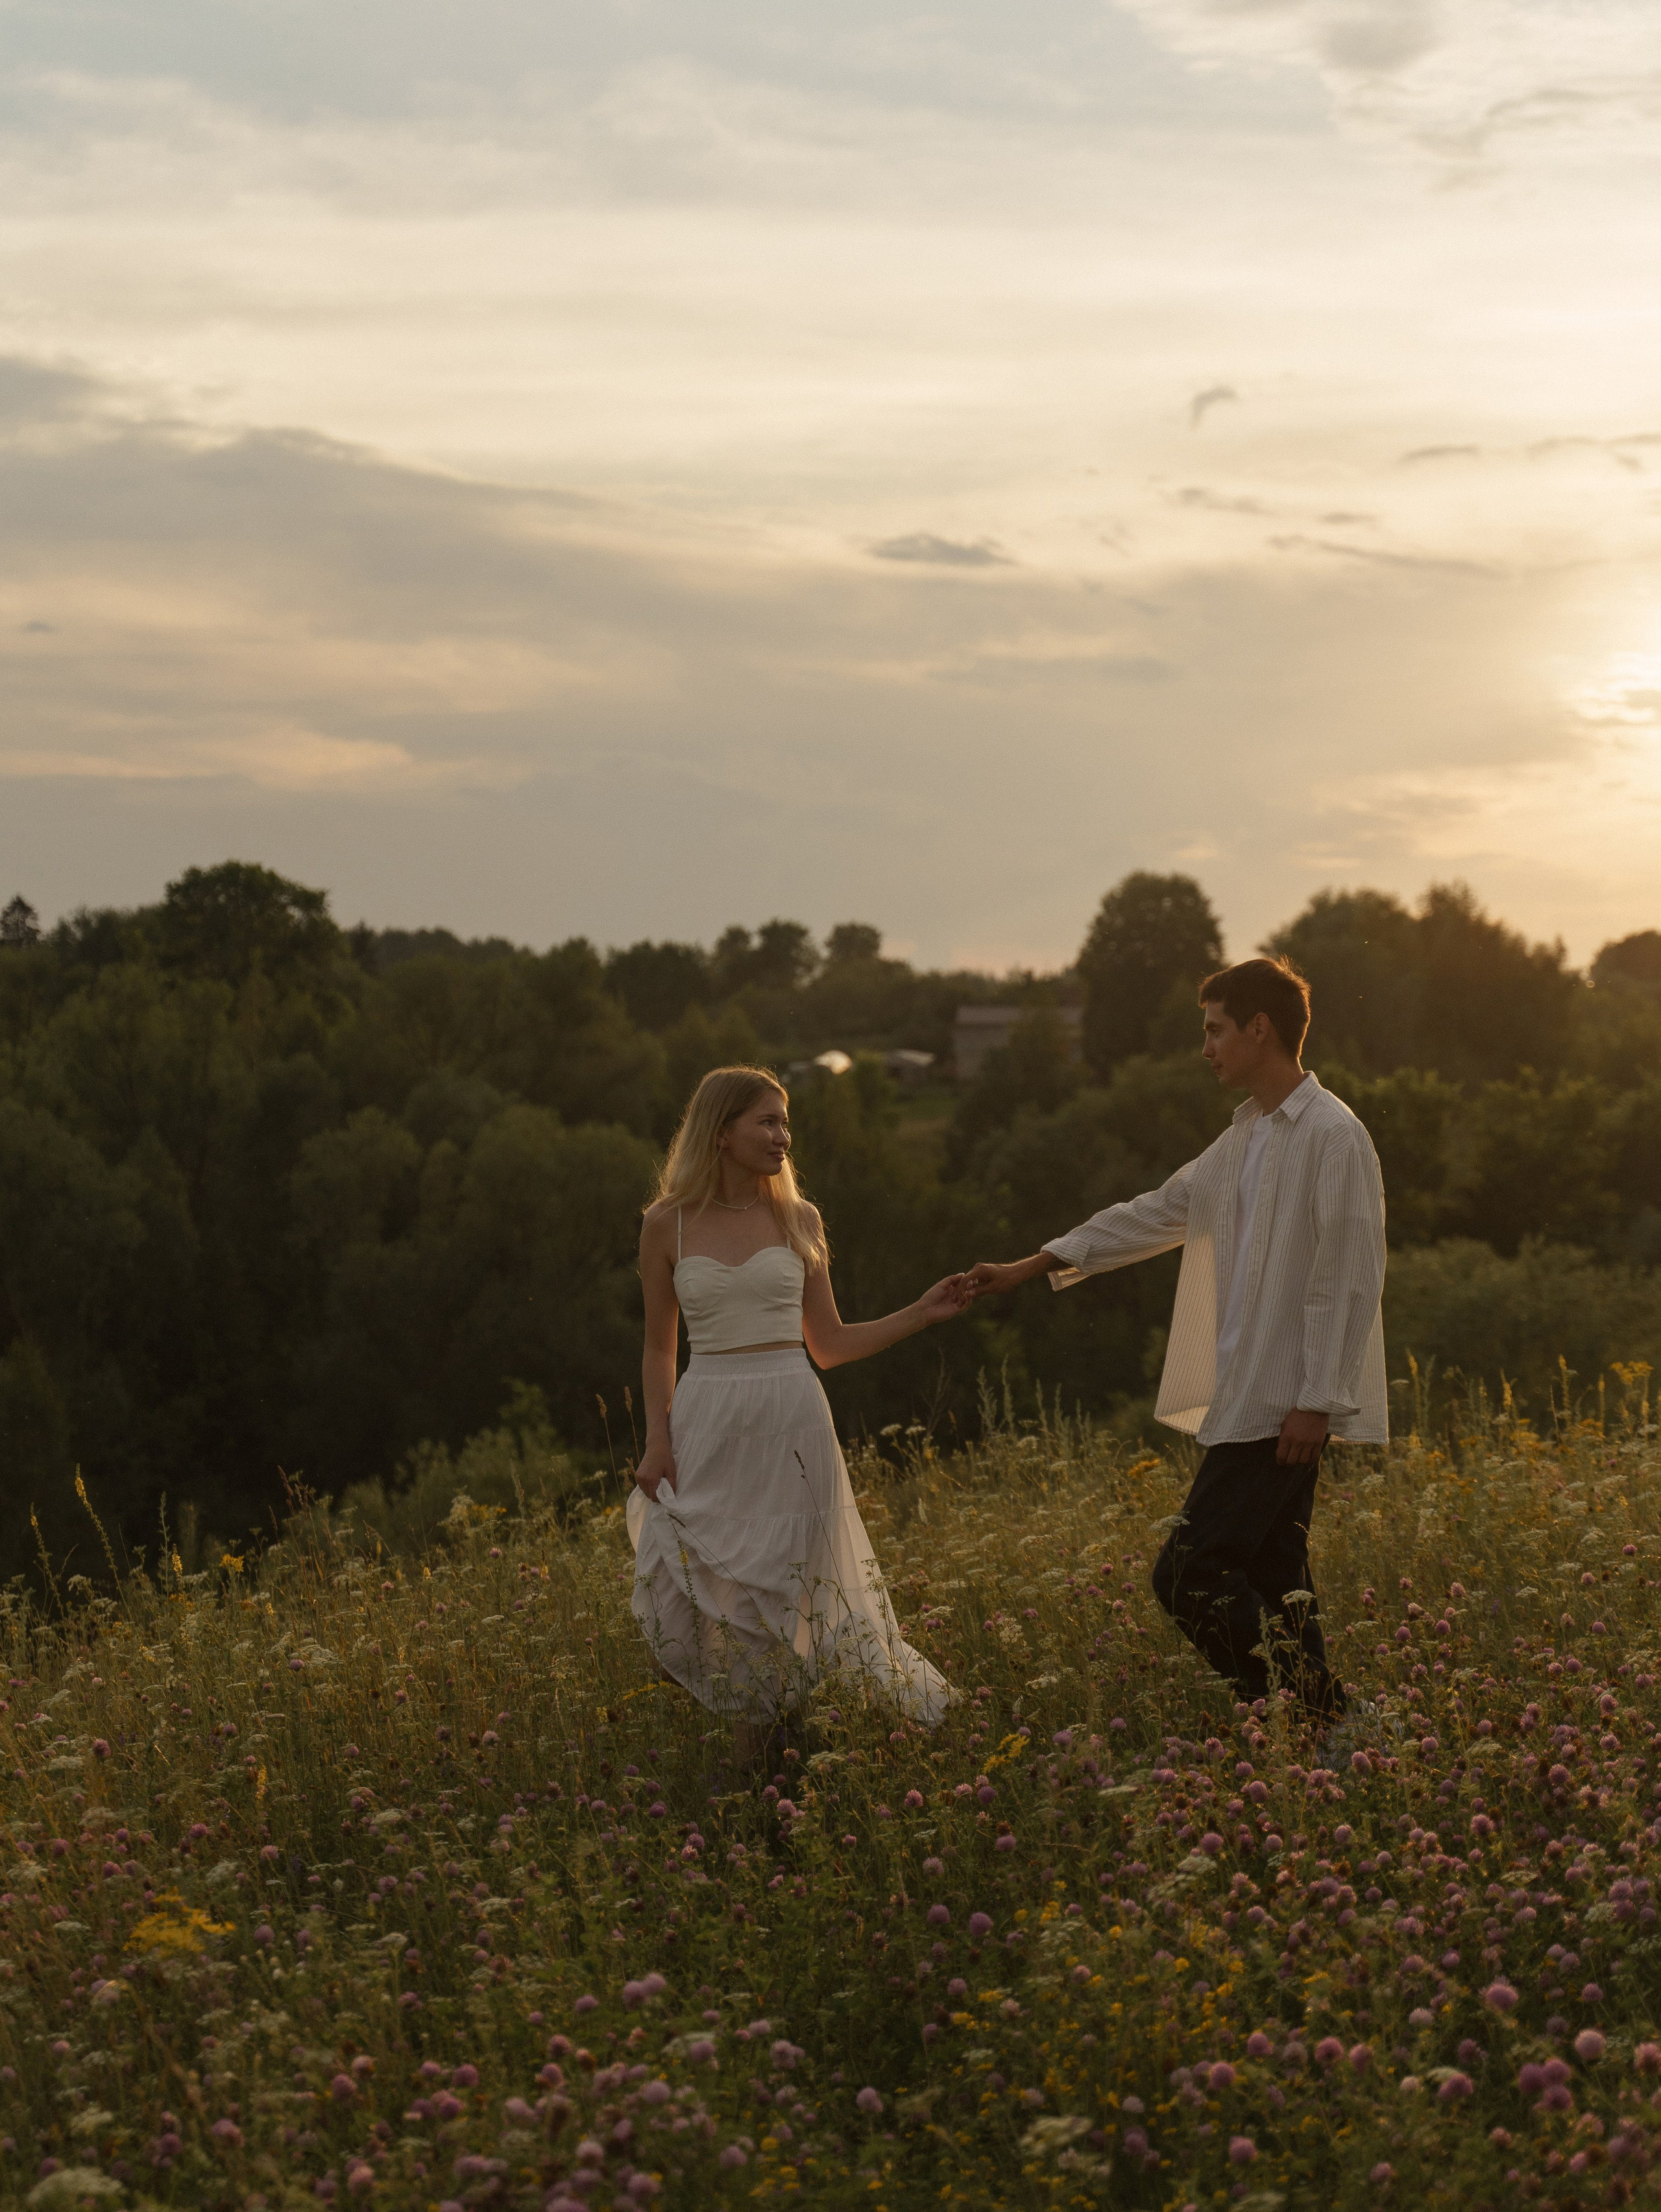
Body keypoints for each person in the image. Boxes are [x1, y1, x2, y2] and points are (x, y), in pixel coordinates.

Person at [965, 956, 1386, 1731]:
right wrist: (1032, 1263)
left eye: (1215, 1030)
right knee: (1276, 1578)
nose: (1206, 1048)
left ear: (1259, 1028)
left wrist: (1317, 1400)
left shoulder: (1334, 1135)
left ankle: (1317, 1718)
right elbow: (1150, 1212)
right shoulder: (1240, 1143)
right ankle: (1332, 1740)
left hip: (1281, 1403)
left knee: (1188, 1575)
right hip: (1245, 1394)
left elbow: (1351, 1275)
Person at [628, 1064, 966, 1754]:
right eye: (767, 1120)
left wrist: (921, 1314)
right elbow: (659, 1350)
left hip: (791, 1416)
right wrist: (656, 1441)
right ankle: (763, 1752)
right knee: (707, 1585)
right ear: (721, 1132)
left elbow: (831, 1343)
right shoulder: (665, 1224)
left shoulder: (798, 1219)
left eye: (785, 1122)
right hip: (708, 1417)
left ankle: (775, 1758)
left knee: (790, 1585)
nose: (784, 1135)